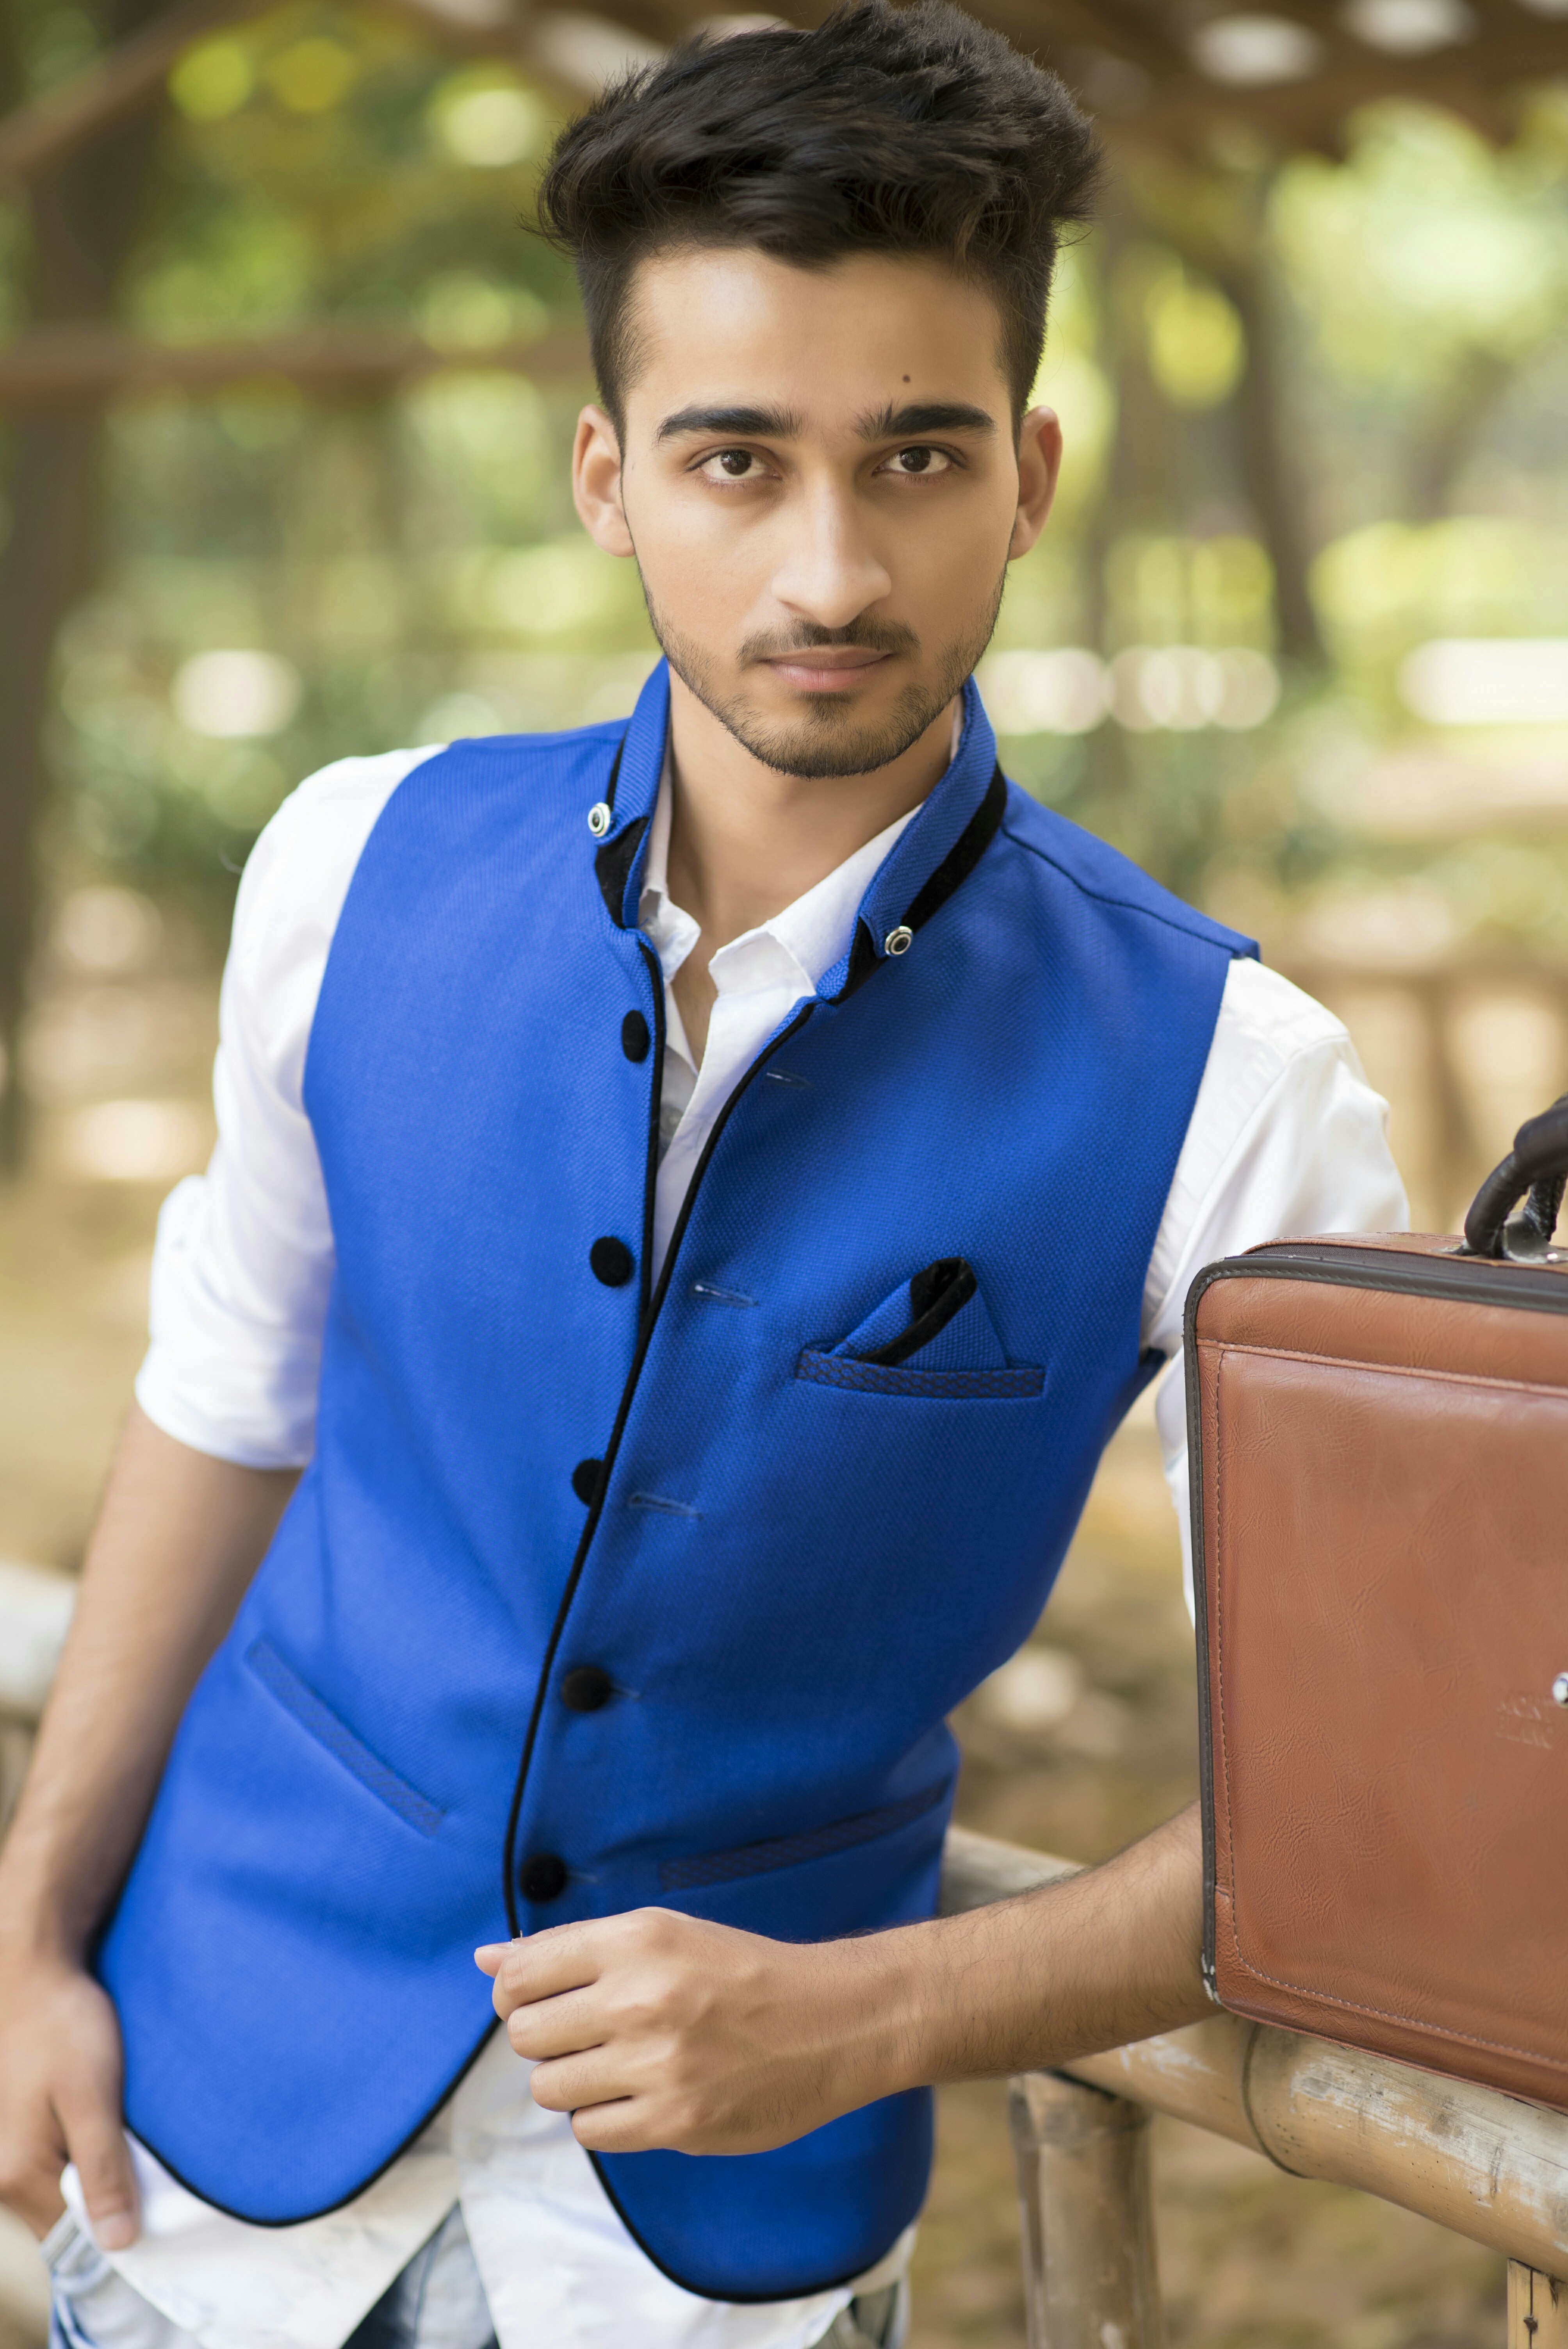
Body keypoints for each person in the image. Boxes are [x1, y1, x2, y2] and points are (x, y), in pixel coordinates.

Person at [0, 7, 1407, 2348]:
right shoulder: (345, 866)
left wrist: (867, 2017)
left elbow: (1371, 1797)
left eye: (918, 457)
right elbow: (227, 1403)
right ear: (606, 477)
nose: (830, 570)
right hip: (197, 2142)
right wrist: (32, 1926)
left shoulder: (1238, 1089)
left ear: (1032, 475)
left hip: (713, 2263)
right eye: (736, 460)